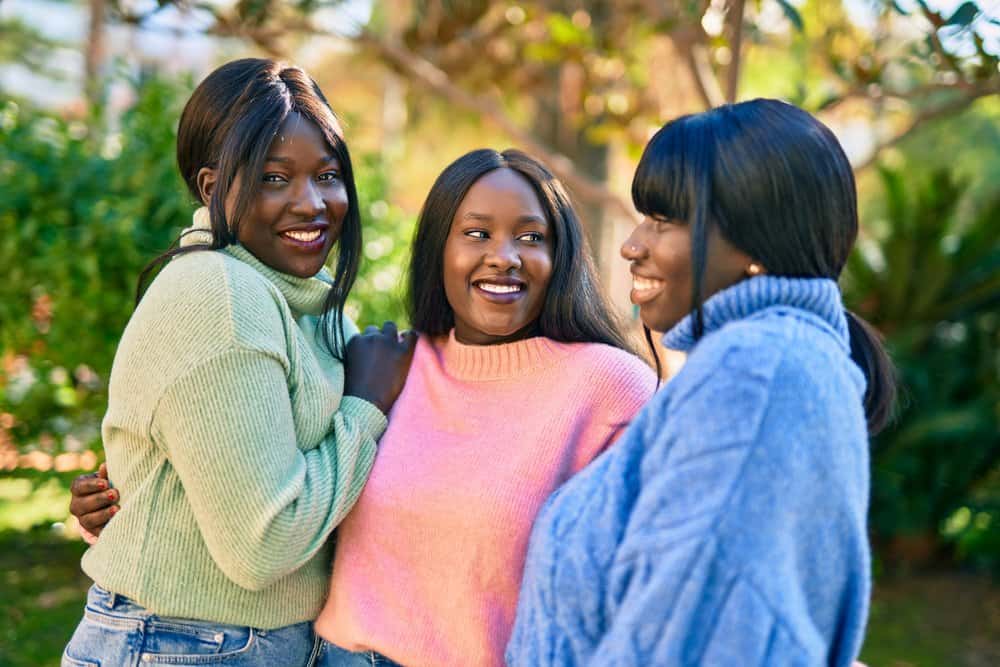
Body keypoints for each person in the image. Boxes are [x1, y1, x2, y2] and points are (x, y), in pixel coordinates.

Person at [72, 148, 657, 666]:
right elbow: (282, 487)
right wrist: (128, 500)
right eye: (476, 233)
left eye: (531, 237)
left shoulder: (608, 388)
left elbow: (645, 582)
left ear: (561, 254)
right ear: (438, 250)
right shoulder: (385, 368)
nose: (504, 256)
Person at [506, 99, 895, 666]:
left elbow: (690, 639)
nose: (632, 245)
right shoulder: (778, 363)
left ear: (756, 246)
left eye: (664, 221)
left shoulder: (761, 375)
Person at [62, 58, 415, 667]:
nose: (312, 204)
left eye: (327, 175)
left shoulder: (307, 305)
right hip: (184, 643)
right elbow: (263, 544)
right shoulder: (221, 295)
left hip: (242, 643)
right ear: (211, 188)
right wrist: (364, 405)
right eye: (275, 179)